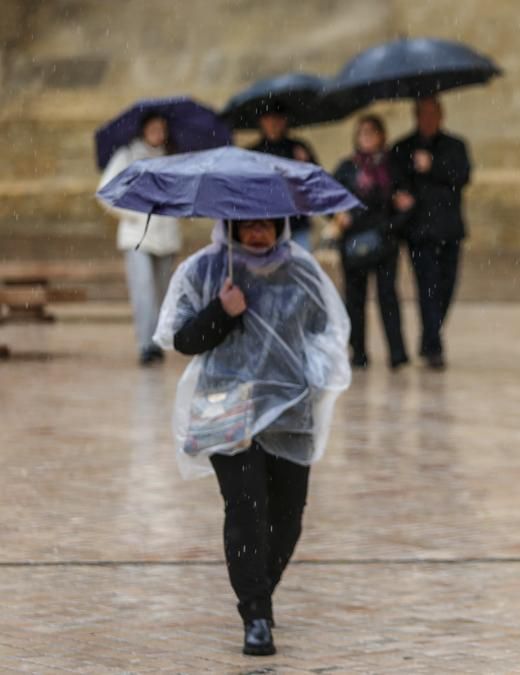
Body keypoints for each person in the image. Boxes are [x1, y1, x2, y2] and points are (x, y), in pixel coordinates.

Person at [153, 217, 350, 657]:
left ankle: (260, 589)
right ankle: (256, 615)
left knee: (288, 515)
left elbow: (325, 333)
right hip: (227, 403)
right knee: (246, 508)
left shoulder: (301, 271)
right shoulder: (205, 270)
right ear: (232, 226)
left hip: (289, 409)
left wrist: (316, 376)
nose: (258, 233)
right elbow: (182, 339)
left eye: (267, 224)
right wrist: (221, 312)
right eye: (248, 225)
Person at [389, 96, 471, 370]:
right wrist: (400, 196)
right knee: (428, 287)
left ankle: (429, 336)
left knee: (447, 287)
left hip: (449, 228)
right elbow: (395, 182)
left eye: (433, 113)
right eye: (423, 114)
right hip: (419, 231)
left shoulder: (455, 146)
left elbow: (462, 176)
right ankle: (434, 347)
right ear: (416, 116)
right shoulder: (402, 148)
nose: (428, 119)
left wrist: (432, 166)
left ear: (441, 115)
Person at [97, 112, 182, 366]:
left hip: (166, 235)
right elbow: (105, 192)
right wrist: (132, 213)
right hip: (137, 236)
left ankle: (156, 341)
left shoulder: (172, 158)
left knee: (162, 292)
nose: (158, 133)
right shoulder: (127, 156)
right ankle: (146, 345)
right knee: (143, 289)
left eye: (162, 128)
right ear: (144, 129)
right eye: (154, 128)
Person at [333, 115, 409, 369]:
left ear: (381, 136)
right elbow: (329, 197)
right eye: (362, 132)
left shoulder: (392, 168)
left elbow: (406, 202)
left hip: (385, 241)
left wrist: (392, 223)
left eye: (372, 132)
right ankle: (359, 352)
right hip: (353, 242)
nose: (366, 137)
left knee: (388, 296)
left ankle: (397, 353)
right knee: (355, 299)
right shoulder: (347, 168)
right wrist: (338, 216)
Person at [246, 104, 320, 250]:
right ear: (261, 122)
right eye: (269, 119)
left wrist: (306, 164)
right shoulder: (252, 154)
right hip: (264, 226)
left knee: (299, 270)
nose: (273, 124)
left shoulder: (298, 148)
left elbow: (316, 184)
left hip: (297, 223)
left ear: (285, 121)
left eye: (278, 119)